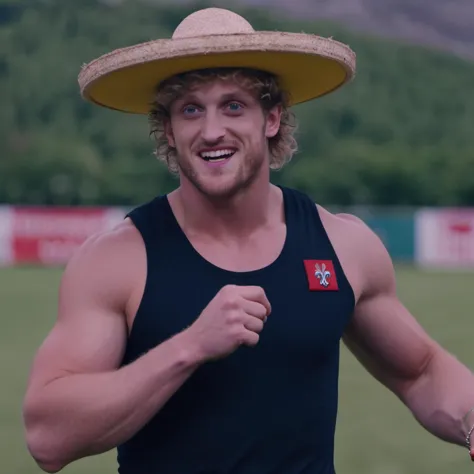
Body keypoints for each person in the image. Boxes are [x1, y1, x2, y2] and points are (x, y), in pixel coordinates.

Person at [22, 7, 474, 474]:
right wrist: (190, 347)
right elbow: (48, 438)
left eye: (233, 106)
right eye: (190, 109)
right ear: (170, 130)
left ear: (272, 119)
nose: (211, 130)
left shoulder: (343, 246)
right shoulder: (117, 259)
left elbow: (421, 371)